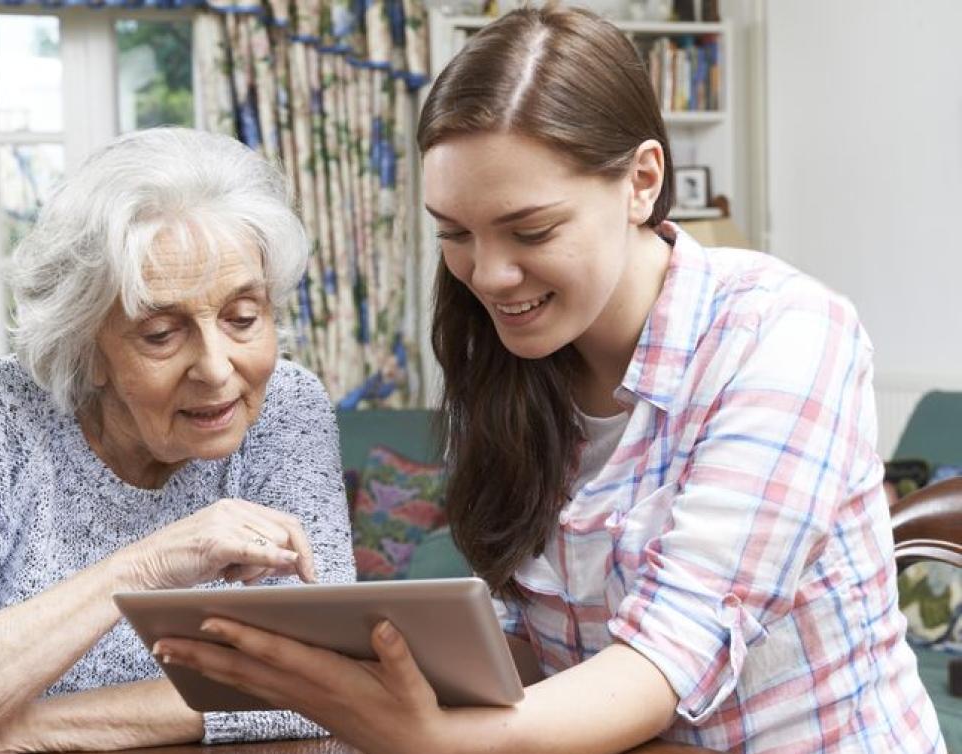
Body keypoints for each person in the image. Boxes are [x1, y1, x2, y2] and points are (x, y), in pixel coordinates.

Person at [150, 8, 945, 753]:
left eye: (531, 230)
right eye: (455, 233)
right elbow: (532, 648)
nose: (488, 276)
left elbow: (665, 660)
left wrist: (431, 736)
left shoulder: (784, 333)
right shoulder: (508, 361)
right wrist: (358, 663)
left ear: (641, 182)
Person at [0, 127, 355, 752]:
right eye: (160, 333)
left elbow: (326, 679)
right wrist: (146, 565)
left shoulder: (284, 407)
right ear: (85, 349)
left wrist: (35, 728)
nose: (215, 367)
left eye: (243, 318)